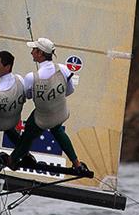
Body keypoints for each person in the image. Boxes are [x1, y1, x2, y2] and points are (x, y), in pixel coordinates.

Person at [8, 36, 87, 171]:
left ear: (40, 54)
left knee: (27, 135)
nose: (31, 52)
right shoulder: (64, 69)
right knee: (57, 129)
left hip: (42, 118)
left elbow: (26, 96)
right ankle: (77, 164)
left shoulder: (32, 77)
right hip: (61, 113)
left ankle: (12, 160)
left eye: (34, 50)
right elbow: (69, 90)